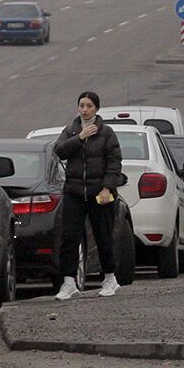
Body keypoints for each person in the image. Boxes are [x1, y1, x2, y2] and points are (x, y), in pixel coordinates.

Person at [52, 90, 125, 300]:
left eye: (89, 106)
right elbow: (60, 151)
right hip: (74, 192)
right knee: (70, 237)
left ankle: (110, 278)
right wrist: (79, 138)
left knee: (103, 235)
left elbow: (114, 163)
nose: (85, 110)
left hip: (99, 193)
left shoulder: (107, 133)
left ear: (96, 109)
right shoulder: (71, 130)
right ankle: (68, 282)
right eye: (82, 105)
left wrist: (107, 187)